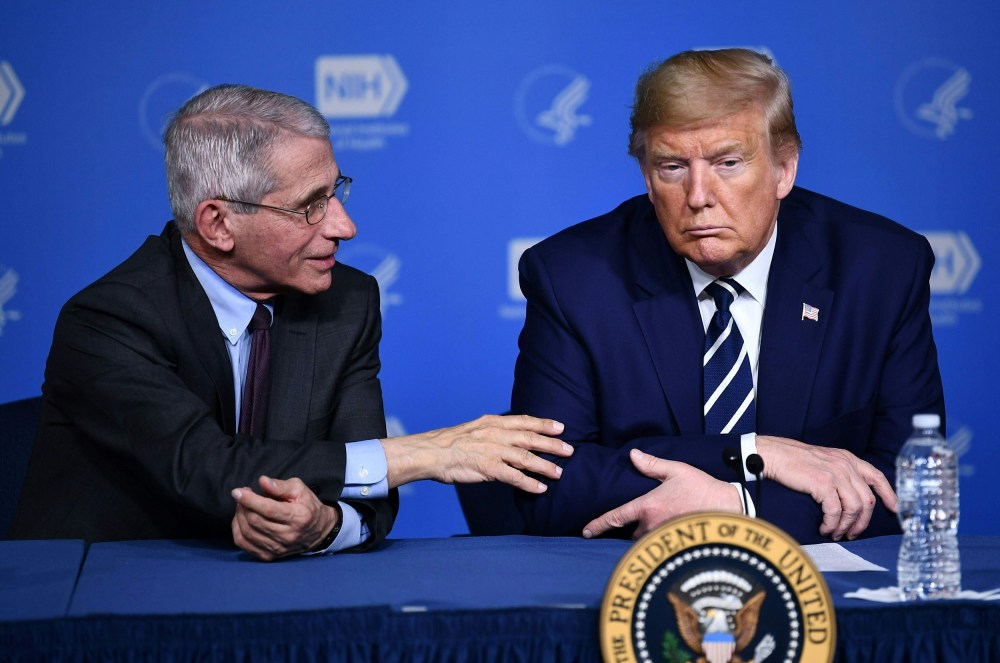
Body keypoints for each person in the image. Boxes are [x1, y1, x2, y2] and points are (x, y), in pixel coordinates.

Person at [11, 84, 570, 561]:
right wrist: (428, 453)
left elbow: (370, 497)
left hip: (268, 599)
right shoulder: (108, 320)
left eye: (337, 191)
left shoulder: (347, 302)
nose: (345, 227)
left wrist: (323, 526)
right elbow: (208, 465)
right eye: (312, 205)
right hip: (98, 607)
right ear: (218, 224)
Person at [511, 48, 944, 545]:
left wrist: (737, 506)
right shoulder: (573, 277)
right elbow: (547, 484)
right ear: (647, 177)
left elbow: (910, 490)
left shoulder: (881, 270)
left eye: (728, 162)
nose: (698, 196)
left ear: (784, 169)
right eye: (672, 167)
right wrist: (750, 452)